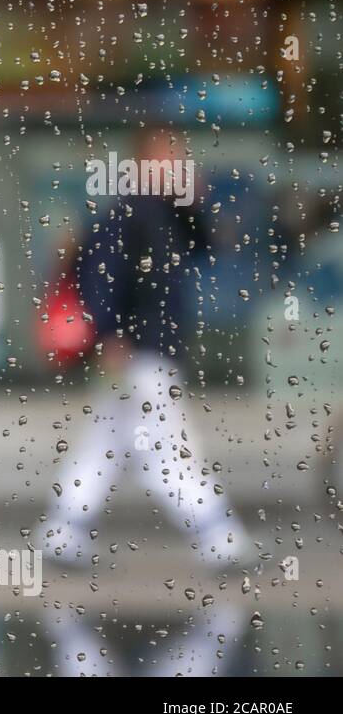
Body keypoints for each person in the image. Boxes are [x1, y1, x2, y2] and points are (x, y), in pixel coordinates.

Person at [39, 128, 253, 675]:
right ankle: (216, 532)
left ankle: (64, 528)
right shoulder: (128, 211)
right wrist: (110, 334)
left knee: (108, 442)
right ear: (145, 165)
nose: (179, 167)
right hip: (139, 349)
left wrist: (196, 200)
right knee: (165, 444)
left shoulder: (165, 211)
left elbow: (209, 246)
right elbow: (102, 273)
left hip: (153, 346)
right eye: (170, 160)